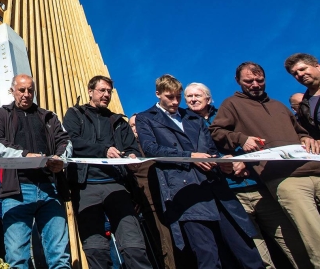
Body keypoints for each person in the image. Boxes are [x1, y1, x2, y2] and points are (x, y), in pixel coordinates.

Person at [136, 74, 264, 269]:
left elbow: (210, 148)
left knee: (244, 248)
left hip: (216, 188)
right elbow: (152, 149)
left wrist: (220, 162)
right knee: (207, 254)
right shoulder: (146, 118)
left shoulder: (193, 117)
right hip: (187, 192)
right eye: (170, 97)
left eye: (179, 96)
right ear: (158, 94)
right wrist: (190, 156)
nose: (176, 101)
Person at [210, 61, 320, 267]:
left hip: (314, 169)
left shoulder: (279, 105)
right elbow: (216, 132)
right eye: (248, 81)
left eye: (259, 80)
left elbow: (300, 131)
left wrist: (306, 138)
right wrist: (242, 140)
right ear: (238, 81)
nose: (255, 84)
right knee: (315, 236)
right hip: (284, 179)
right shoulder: (231, 104)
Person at [186, 82, 305, 269]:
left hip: (259, 187)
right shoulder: (186, 125)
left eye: (197, 96)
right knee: (257, 252)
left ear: (208, 98)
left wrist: (243, 159)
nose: (193, 100)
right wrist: (220, 163)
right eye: (189, 97)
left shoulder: (228, 114)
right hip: (229, 195)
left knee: (290, 242)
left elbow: (255, 139)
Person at [63, 75, 151, 269]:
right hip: (85, 186)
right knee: (96, 249)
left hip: (117, 186)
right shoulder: (75, 114)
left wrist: (132, 158)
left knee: (134, 245)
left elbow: (132, 149)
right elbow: (71, 141)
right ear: (90, 91)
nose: (106, 95)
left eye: (109, 91)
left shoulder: (119, 121)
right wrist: (103, 150)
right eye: (102, 90)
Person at [0, 74, 72, 269]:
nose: (26, 94)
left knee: (60, 257)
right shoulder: (2, 114)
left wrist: (61, 160)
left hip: (50, 189)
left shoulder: (48, 116)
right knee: (17, 258)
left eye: (30, 91)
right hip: (16, 191)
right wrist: (24, 155)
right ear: (13, 91)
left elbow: (65, 141)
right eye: (21, 90)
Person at [128, 114, 177, 269]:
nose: (135, 129)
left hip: (173, 201)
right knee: (165, 248)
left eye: (138, 124)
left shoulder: (159, 143)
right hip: (151, 206)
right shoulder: (131, 151)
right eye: (132, 126)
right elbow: (129, 179)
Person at [285, 53, 320, 139]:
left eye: (302, 69)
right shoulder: (304, 107)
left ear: (317, 67)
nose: (300, 74)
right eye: (295, 74)